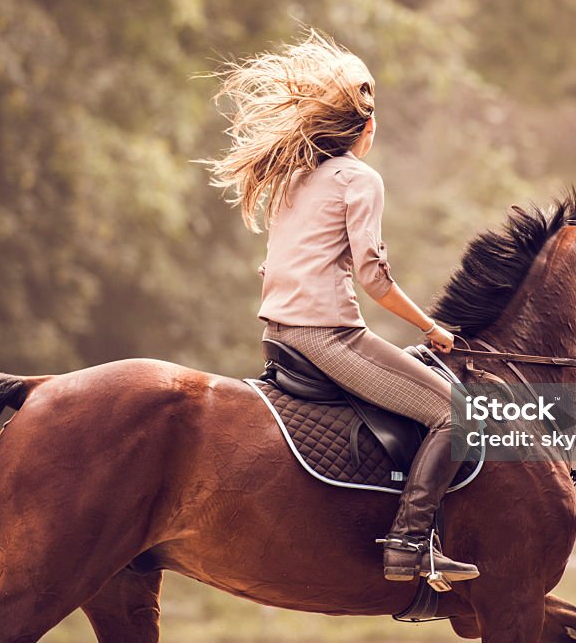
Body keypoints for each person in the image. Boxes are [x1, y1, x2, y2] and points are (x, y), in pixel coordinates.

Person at [203, 32, 479, 585]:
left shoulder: (294, 177)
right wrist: (432, 328)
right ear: (368, 128)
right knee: (458, 415)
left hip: (278, 334)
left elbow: (273, 266)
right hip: (326, 338)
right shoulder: (360, 179)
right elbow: (374, 280)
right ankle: (408, 545)